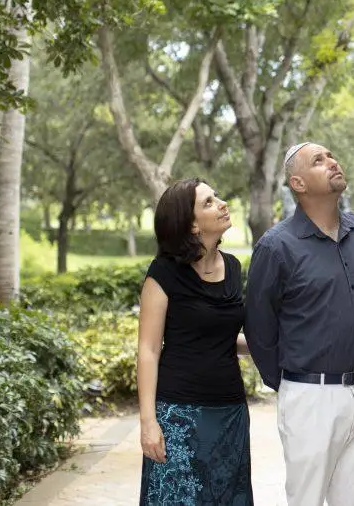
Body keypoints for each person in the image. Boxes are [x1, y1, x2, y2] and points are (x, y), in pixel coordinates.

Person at [244, 142, 354, 506]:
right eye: (318, 161)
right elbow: (259, 329)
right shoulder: (275, 248)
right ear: (298, 184)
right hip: (310, 396)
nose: (332, 162)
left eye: (331, 156)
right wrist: (291, 384)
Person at [137, 178, 253, 505]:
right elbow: (147, 350)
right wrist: (148, 422)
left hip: (230, 412)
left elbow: (222, 339)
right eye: (208, 202)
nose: (222, 204)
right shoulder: (163, 273)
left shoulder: (233, 267)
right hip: (178, 416)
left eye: (216, 197)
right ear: (190, 225)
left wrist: (276, 347)